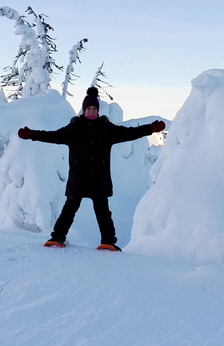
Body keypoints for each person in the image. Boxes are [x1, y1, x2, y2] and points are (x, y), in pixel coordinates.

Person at [18, 87, 166, 251]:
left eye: (94, 108)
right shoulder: (73, 129)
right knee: (69, 209)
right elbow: (51, 136)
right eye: (89, 108)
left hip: (99, 178)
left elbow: (130, 132)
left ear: (97, 110)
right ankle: (57, 237)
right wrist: (31, 134)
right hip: (78, 178)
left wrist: (151, 128)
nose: (91, 110)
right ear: (84, 109)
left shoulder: (106, 129)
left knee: (103, 212)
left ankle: (108, 242)